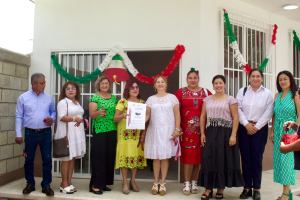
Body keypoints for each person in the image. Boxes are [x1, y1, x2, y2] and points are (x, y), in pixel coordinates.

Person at [198, 75, 244, 200]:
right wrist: (203, 133)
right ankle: (208, 189)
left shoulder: (230, 99)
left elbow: (235, 117)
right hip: (211, 131)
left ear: (224, 84)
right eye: (216, 83)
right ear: (213, 85)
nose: (218, 85)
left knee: (223, 159)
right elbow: (203, 117)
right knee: (208, 158)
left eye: (220, 83)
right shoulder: (207, 99)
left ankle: (220, 189)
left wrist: (233, 135)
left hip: (226, 133)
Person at [15, 73, 56, 196]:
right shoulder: (23, 98)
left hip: (45, 133)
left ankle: (46, 185)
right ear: (34, 84)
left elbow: (53, 112)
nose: (44, 85)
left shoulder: (48, 97)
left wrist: (52, 119)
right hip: (30, 133)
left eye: (44, 83)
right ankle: (30, 184)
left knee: (47, 159)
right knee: (29, 159)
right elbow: (18, 116)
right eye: (41, 83)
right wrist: (18, 134)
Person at [236, 69, 274, 200]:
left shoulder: (267, 93)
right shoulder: (243, 91)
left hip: (260, 129)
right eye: (253, 76)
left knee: (256, 159)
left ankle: (256, 188)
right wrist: (246, 124)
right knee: (245, 158)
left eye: (258, 76)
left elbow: (269, 112)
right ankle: (246, 188)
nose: (255, 78)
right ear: (249, 78)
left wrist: (256, 127)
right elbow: (238, 108)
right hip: (244, 128)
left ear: (262, 78)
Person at [174, 68, 212, 195]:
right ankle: (187, 183)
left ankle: (195, 182)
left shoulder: (206, 92)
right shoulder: (181, 92)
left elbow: (216, 104)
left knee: (198, 157)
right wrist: (176, 127)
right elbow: (172, 108)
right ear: (186, 80)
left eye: (195, 77)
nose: (192, 80)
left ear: (198, 79)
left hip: (202, 131)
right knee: (188, 157)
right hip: (186, 131)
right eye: (190, 78)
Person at [145, 76, 182, 196]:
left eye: (162, 82)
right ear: (154, 85)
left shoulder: (172, 98)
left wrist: (177, 129)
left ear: (166, 84)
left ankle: (163, 183)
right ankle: (155, 182)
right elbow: (147, 115)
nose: (160, 84)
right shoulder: (150, 99)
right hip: (154, 131)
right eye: (158, 82)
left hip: (168, 130)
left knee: (165, 157)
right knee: (156, 157)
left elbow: (177, 114)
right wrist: (136, 122)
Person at [269, 71, 300, 200]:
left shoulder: (296, 95)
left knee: (287, 162)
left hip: (289, 131)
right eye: (280, 79)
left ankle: (286, 194)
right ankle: (286, 192)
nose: (283, 81)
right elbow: (275, 114)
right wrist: (272, 132)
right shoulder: (277, 95)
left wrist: (295, 131)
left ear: (291, 80)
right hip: (277, 131)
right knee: (280, 162)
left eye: (285, 79)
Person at [113, 80, 147, 194]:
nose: (135, 89)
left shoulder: (142, 103)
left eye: (137, 87)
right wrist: (122, 115)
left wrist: (143, 134)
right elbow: (115, 118)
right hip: (124, 136)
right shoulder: (122, 102)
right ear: (127, 89)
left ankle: (133, 181)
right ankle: (125, 182)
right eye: (132, 87)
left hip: (136, 136)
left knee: (135, 158)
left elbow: (146, 121)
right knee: (125, 157)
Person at [54, 81, 86, 194]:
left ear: (76, 90)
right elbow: (61, 117)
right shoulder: (63, 102)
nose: (71, 90)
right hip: (67, 135)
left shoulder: (76, 102)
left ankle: (69, 182)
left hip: (77, 133)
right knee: (66, 159)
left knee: (72, 158)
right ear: (64, 91)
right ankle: (64, 183)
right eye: (68, 89)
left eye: (73, 88)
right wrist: (74, 119)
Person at [89, 75, 117, 195]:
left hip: (112, 130)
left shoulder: (113, 98)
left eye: (106, 83)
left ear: (109, 85)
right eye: (102, 83)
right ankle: (95, 185)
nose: (104, 85)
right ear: (98, 85)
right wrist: (98, 113)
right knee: (99, 158)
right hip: (100, 131)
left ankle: (104, 183)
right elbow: (91, 115)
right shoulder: (95, 98)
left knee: (109, 157)